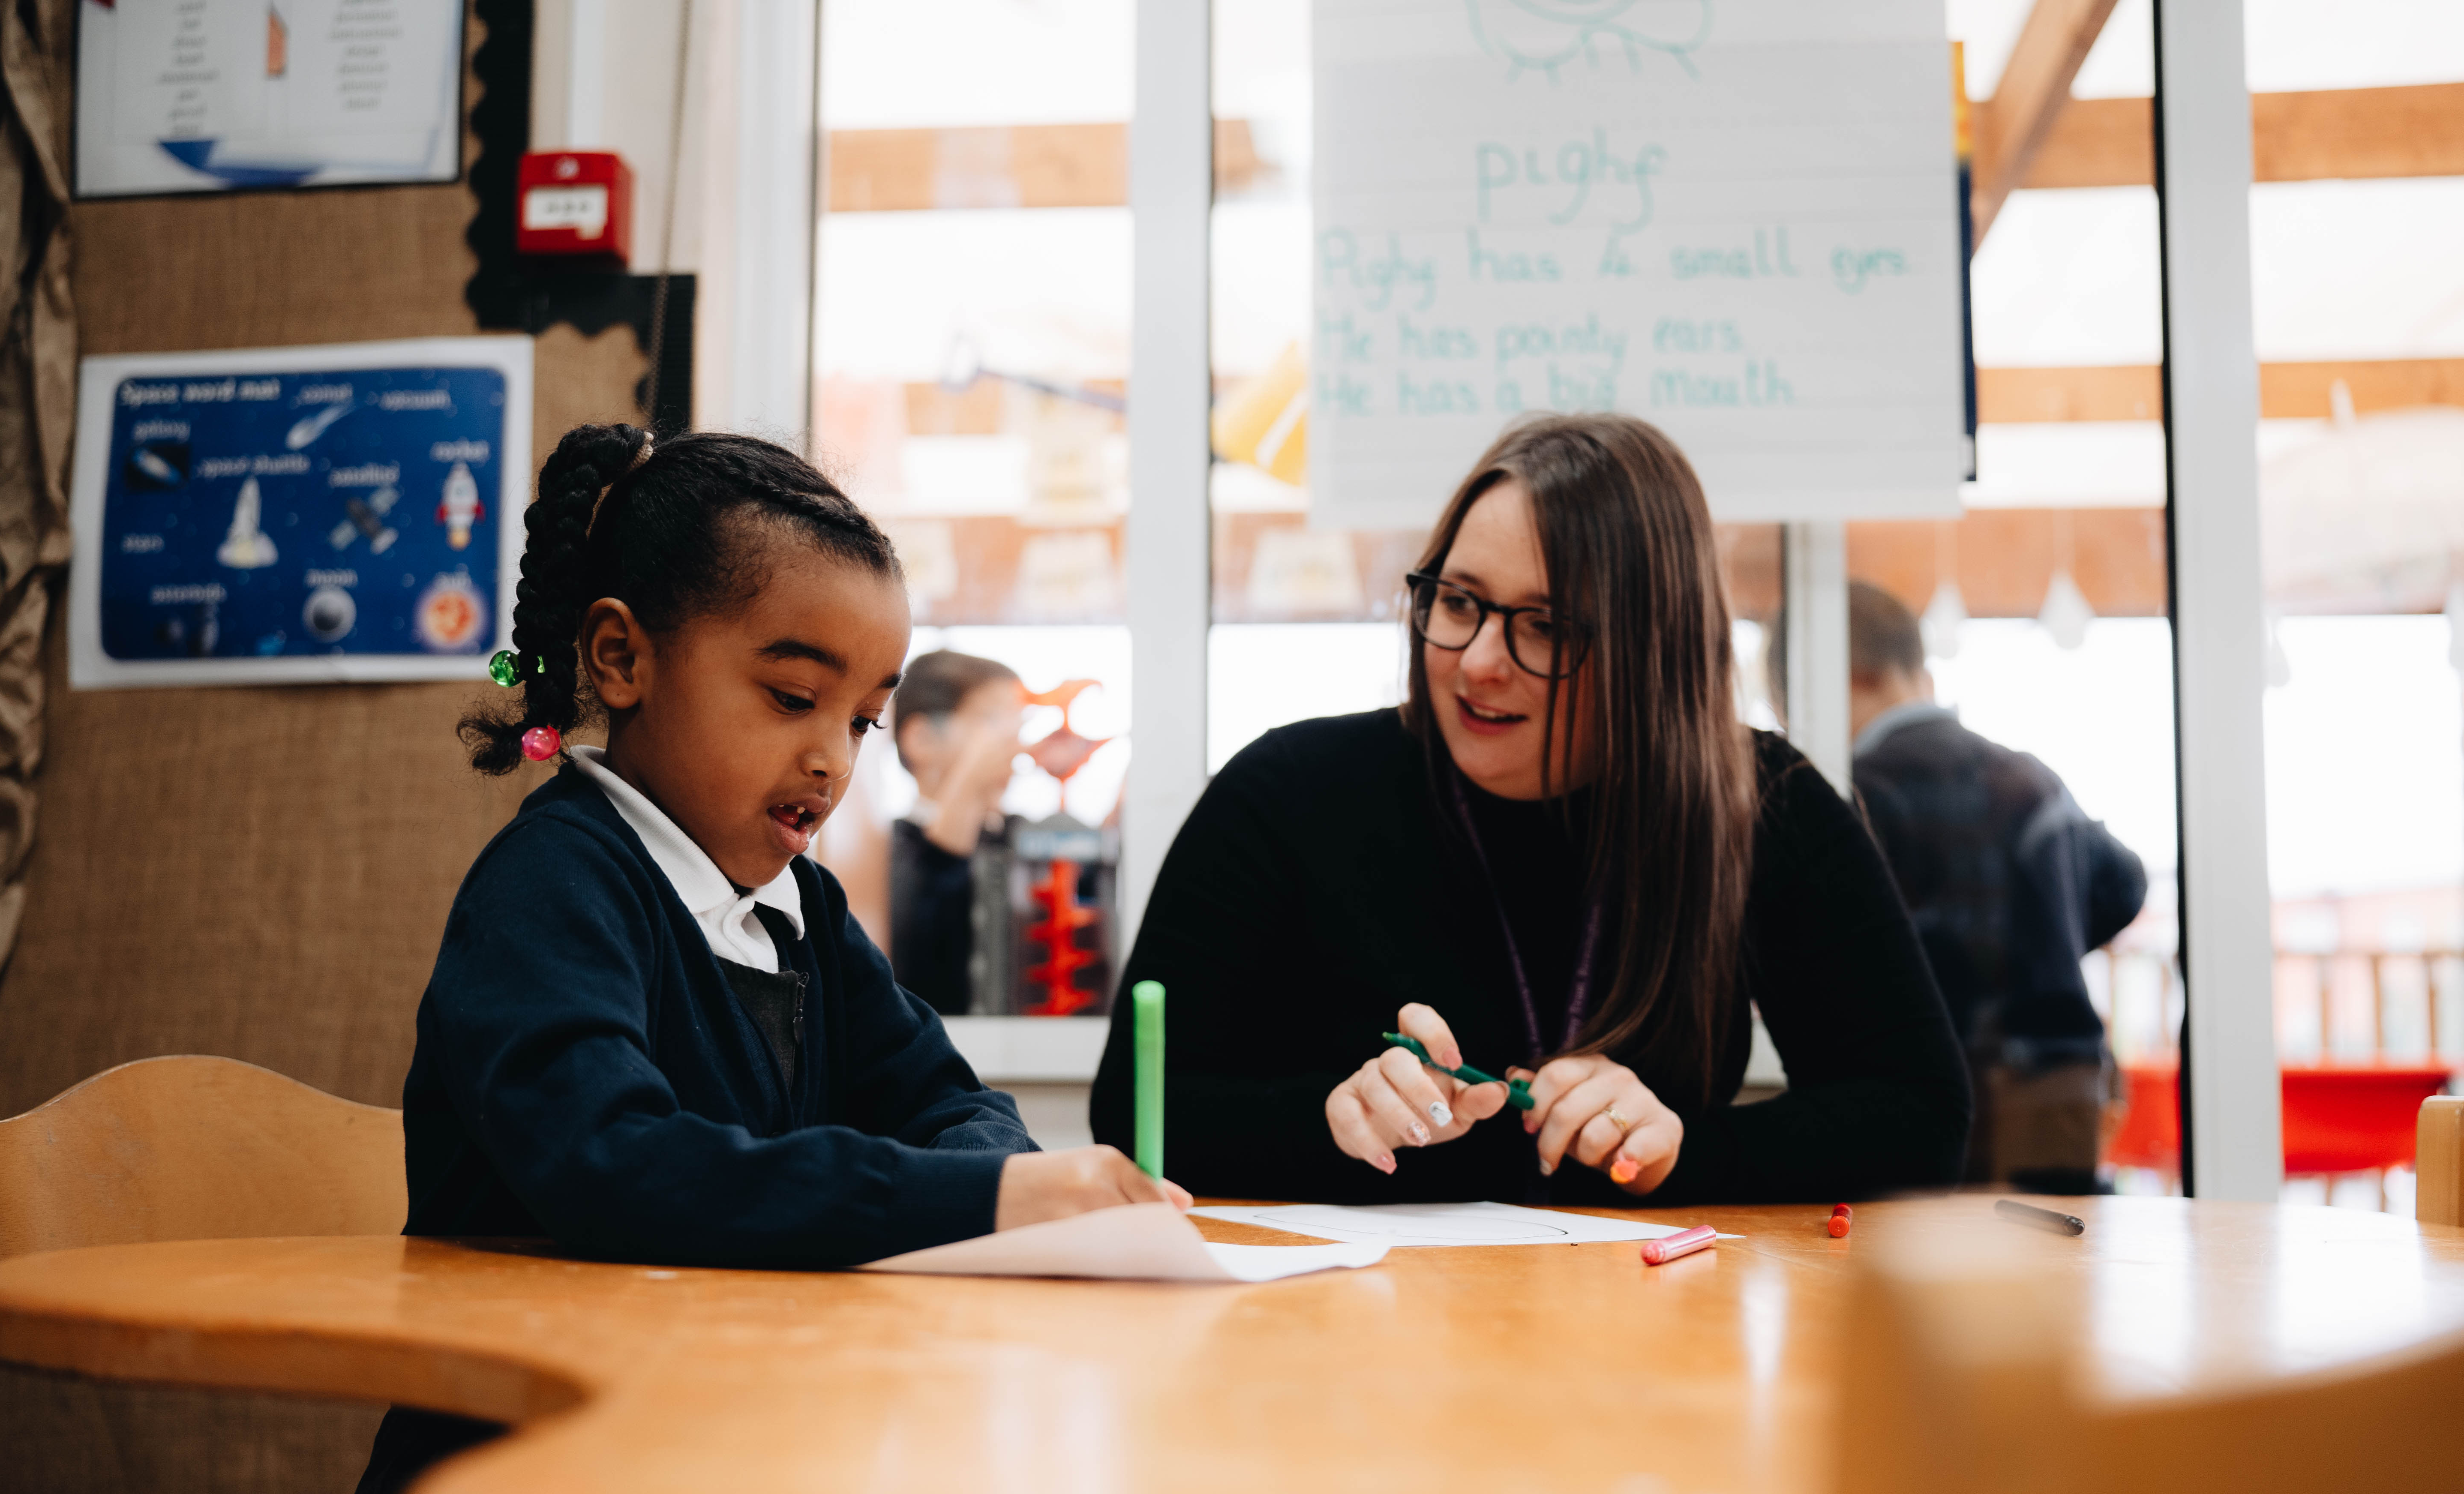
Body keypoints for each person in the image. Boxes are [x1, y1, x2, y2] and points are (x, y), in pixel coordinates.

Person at [341, 425, 1187, 1494]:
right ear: (622, 656)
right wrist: (985, 1196)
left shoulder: (801, 908)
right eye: (793, 697)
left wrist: (1000, 1179)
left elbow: (949, 1102)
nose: (830, 760)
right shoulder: (553, 885)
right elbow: (616, 1164)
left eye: (862, 718)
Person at [1090, 415, 1969, 1207]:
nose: (1476, 661)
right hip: (1345, 1338)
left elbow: (1917, 1117)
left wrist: (1679, 1151)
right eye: (1460, 601)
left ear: (1650, 654)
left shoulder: (1756, 801)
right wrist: (1329, 1116)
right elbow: (1132, 1118)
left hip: (1642, 1333)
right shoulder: (1285, 790)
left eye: (1544, 624)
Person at [1772, 581, 2146, 1193]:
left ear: (1837, 677)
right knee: (2053, 1272)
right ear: (1914, 667)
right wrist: (2040, 938)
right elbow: (2123, 886)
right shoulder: (2027, 778)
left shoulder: (1853, 798)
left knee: (1931, 1278)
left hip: (1935, 1092)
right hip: (2059, 1085)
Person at [888, 649, 1023, 1012]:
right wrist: (968, 787)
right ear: (922, 739)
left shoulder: (1017, 837)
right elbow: (921, 950)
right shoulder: (896, 848)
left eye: (1018, 725)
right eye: (993, 721)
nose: (1013, 742)